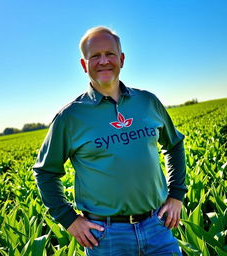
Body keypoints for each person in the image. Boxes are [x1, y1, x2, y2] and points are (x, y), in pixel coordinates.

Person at [33, 26, 187, 256]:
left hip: (157, 226)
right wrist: (69, 219)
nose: (103, 61)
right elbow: (45, 172)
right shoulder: (70, 117)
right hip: (106, 237)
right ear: (84, 65)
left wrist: (176, 194)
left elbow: (173, 144)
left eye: (110, 54)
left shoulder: (147, 102)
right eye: (94, 56)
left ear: (121, 59)